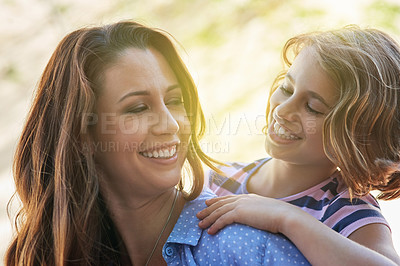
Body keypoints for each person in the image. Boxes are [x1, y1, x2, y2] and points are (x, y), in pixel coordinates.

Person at [5, 20, 310, 265]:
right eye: (138, 108)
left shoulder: (242, 247)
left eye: (174, 100)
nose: (171, 124)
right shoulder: (50, 255)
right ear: (83, 135)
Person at [198, 25, 400, 265]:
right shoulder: (219, 180)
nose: (283, 110)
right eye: (287, 88)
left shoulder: (347, 211)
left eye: (312, 107)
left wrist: (287, 218)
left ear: (357, 136)